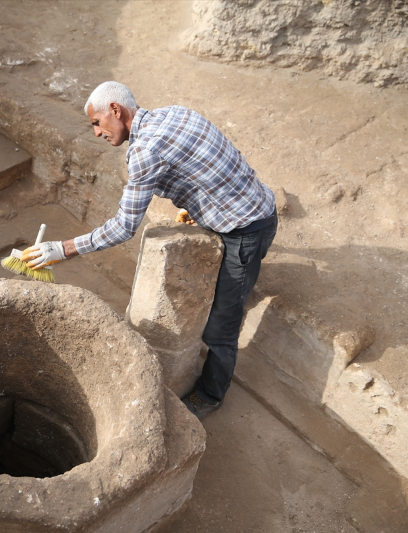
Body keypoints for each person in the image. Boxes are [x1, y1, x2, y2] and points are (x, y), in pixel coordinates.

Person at [22, 81, 277, 419]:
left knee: (221, 327)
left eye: (96, 123)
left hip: (247, 231)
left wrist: (64, 249)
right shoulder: (176, 113)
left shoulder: (143, 152)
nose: (97, 133)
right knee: (221, 300)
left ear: (116, 111)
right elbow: (218, 159)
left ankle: (211, 394)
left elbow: (124, 227)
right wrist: (202, 205)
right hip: (259, 204)